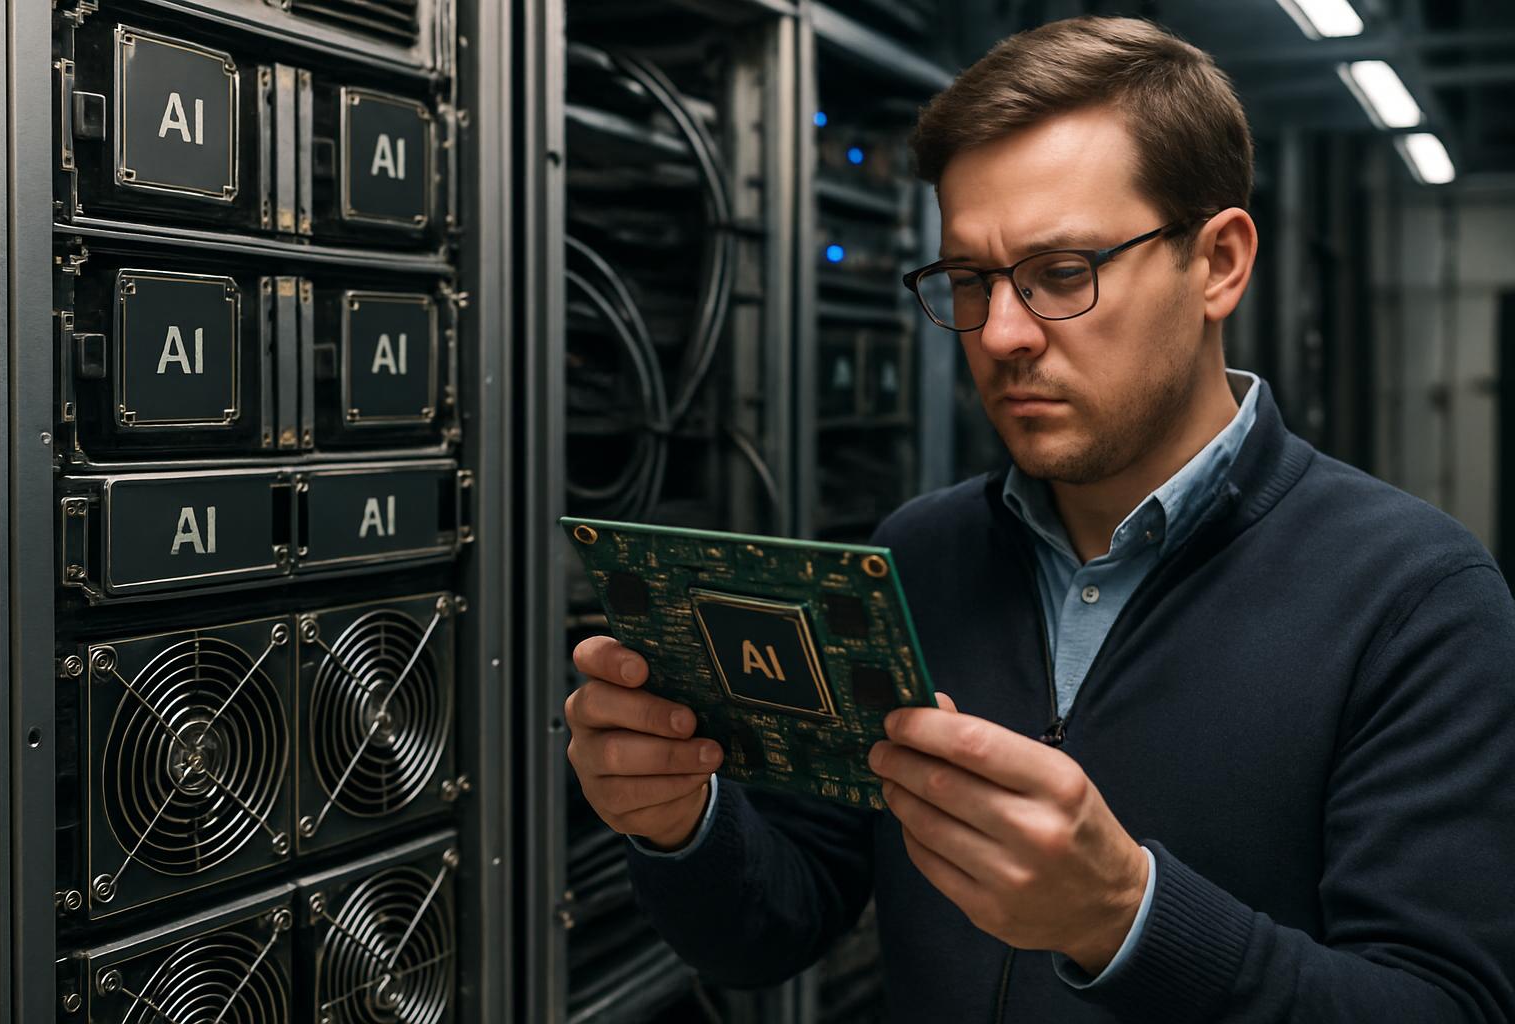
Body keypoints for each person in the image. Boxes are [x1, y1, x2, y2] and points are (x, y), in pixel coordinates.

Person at [565, 15, 1515, 1021]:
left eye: (1062, 273)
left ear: (1219, 263)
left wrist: (1127, 918)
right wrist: (681, 822)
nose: (1002, 334)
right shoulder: (916, 556)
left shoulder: (1418, 603)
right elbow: (775, 925)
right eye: (970, 281)